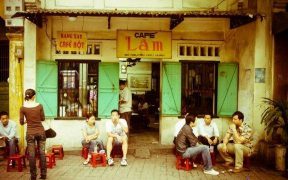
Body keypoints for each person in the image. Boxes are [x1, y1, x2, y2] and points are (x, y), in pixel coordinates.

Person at [19, 89, 47, 180]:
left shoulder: (23, 108)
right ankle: (43, 175)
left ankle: (33, 176)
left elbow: (21, 122)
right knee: (42, 153)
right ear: (34, 96)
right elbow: (42, 119)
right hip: (41, 132)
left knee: (32, 155)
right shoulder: (40, 106)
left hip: (30, 133)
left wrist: (28, 120)